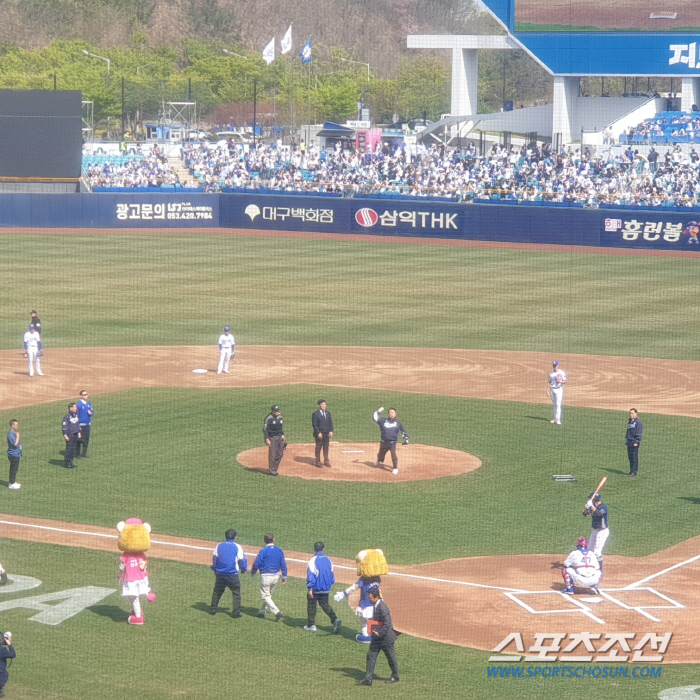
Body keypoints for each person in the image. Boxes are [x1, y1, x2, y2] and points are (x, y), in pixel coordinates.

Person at [356, 588, 400, 686]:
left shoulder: (382, 607)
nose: (369, 599)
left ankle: (396, 676)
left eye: (370, 598)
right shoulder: (376, 605)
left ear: (376, 597)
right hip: (377, 638)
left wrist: (379, 633)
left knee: (391, 657)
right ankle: (368, 679)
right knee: (371, 655)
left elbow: (387, 623)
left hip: (386, 639)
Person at [304, 542, 341, 633]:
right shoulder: (329, 560)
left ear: (314, 549)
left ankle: (311, 625)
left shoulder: (312, 560)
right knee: (325, 605)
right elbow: (332, 576)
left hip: (316, 588)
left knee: (312, 605)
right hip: (326, 589)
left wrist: (310, 589)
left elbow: (311, 576)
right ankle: (335, 619)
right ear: (323, 549)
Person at [210, 529, 248, 618]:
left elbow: (215, 559)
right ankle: (236, 612)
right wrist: (243, 569)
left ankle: (213, 609)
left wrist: (215, 569)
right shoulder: (237, 546)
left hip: (220, 573)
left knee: (217, 591)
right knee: (236, 593)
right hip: (232, 574)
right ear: (235, 537)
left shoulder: (219, 545)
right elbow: (242, 560)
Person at [251, 533, 287, 620]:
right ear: (273, 540)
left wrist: (253, 571)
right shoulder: (279, 550)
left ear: (264, 541)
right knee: (269, 595)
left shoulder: (263, 551)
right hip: (276, 577)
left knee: (266, 596)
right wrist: (284, 576)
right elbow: (283, 564)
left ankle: (277, 612)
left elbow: (257, 563)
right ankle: (262, 611)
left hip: (266, 577)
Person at [373, 407, 409, 476]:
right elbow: (374, 418)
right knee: (381, 453)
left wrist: (406, 439)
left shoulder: (398, 423)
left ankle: (395, 468)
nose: (392, 414)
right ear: (388, 414)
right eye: (390, 412)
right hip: (384, 441)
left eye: (393, 412)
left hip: (392, 442)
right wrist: (379, 411)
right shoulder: (383, 421)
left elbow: (403, 431)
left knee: (393, 454)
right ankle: (378, 460)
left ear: (395, 414)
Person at [583, 492, 608, 570]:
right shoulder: (593, 506)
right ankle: (590, 566)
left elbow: (600, 514)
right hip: (595, 530)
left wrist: (592, 506)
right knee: (590, 549)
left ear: (594, 499)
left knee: (597, 552)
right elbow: (585, 514)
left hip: (603, 531)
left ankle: (600, 571)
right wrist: (587, 509)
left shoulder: (603, 507)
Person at [263, 405, 285, 476]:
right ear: (272, 411)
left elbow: (280, 426)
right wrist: (267, 439)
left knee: (280, 454)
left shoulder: (280, 416)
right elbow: (265, 430)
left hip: (279, 436)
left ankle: (274, 468)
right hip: (272, 437)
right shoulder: (268, 418)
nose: (277, 412)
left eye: (278, 411)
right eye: (276, 411)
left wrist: (282, 434)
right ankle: (272, 470)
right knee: (272, 454)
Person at [312, 399, 334, 467]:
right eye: (322, 404)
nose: (324, 406)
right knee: (318, 447)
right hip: (319, 434)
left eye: (325, 404)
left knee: (326, 447)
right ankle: (317, 461)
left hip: (326, 434)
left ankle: (326, 460)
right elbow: (314, 424)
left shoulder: (328, 413)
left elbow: (330, 423)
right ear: (319, 405)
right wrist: (318, 432)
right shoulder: (315, 414)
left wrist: (331, 431)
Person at [62, 403, 81, 469]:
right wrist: (65, 435)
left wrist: (79, 432)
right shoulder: (67, 417)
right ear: (71, 408)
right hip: (70, 435)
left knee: (73, 450)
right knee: (69, 449)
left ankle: (71, 462)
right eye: (75, 407)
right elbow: (64, 427)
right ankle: (67, 463)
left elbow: (78, 424)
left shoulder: (75, 415)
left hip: (75, 434)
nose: (76, 408)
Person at [547, 360, 567, 425]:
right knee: (555, 405)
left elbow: (565, 381)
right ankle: (555, 418)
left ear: (558, 365)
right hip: (552, 390)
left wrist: (560, 381)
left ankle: (558, 419)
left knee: (558, 405)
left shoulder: (562, 373)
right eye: (554, 365)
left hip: (559, 390)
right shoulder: (551, 373)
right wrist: (547, 390)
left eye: (555, 365)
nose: (554, 367)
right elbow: (549, 382)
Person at [76, 390, 94, 458]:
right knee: (79, 439)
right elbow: (76, 416)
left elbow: (92, 412)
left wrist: (91, 413)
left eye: (87, 394)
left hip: (87, 424)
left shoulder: (89, 404)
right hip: (80, 425)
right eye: (84, 394)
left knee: (86, 439)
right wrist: (77, 425)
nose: (86, 396)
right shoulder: (79, 405)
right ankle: (77, 454)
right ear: (81, 396)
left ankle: (84, 453)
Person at [626, 408, 643, 477]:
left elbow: (639, 433)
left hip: (634, 442)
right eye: (630, 413)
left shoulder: (638, 423)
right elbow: (628, 431)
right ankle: (631, 470)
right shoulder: (630, 421)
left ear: (636, 414)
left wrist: (637, 441)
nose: (631, 415)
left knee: (634, 457)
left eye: (632, 413)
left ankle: (634, 472)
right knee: (630, 457)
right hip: (629, 441)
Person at [6, 421, 21, 490]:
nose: (17, 426)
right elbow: (15, 444)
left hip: (16, 454)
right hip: (13, 455)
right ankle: (11, 484)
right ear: (12, 425)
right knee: (13, 469)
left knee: (15, 469)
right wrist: (18, 436)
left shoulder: (13, 433)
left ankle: (13, 482)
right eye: (16, 425)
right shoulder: (10, 434)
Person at [0, 631, 15, 697]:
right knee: (5, 676)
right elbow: (13, 654)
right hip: (1, 673)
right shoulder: (2, 650)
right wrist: (10, 645)